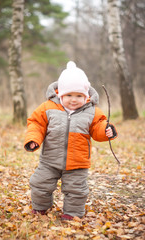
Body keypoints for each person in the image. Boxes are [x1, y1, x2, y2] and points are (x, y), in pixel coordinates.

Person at [24, 61, 117, 220]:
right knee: (40, 184)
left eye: (79, 96)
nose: (73, 100)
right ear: (60, 94)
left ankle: (72, 214)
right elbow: (36, 124)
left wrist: (107, 130)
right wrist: (33, 139)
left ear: (86, 95)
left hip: (77, 162)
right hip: (49, 160)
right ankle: (40, 208)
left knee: (76, 190)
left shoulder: (92, 111)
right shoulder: (48, 107)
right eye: (69, 95)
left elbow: (98, 127)